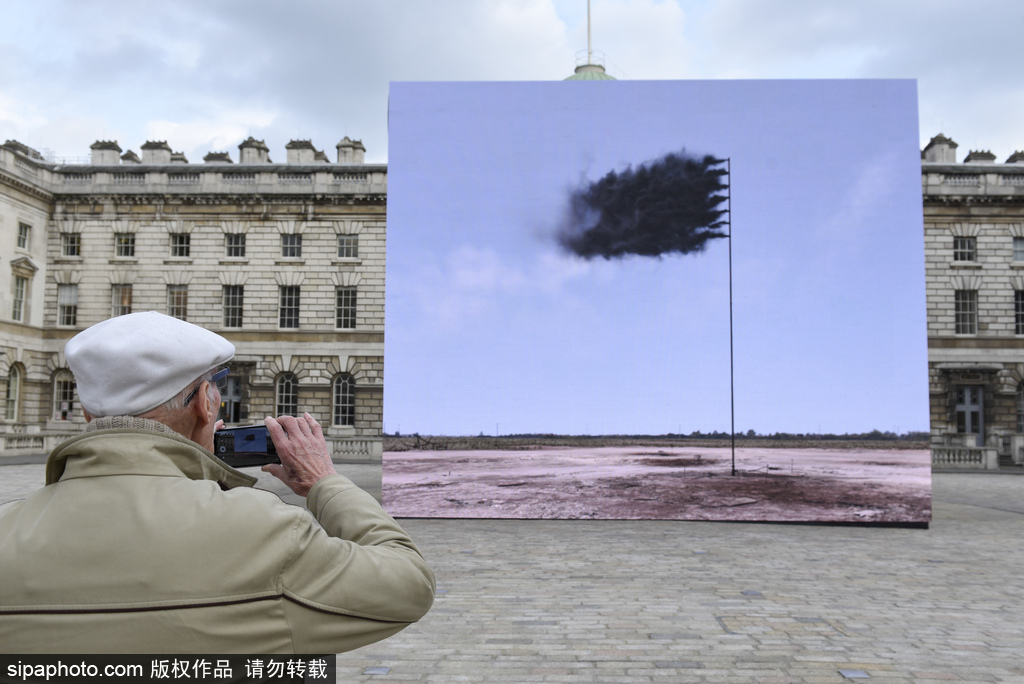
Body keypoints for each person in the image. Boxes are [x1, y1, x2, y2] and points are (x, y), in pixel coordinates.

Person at [0, 311, 434, 654]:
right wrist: (325, 482)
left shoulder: (7, 529)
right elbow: (408, 584)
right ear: (207, 408)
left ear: (89, 415)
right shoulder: (264, 530)